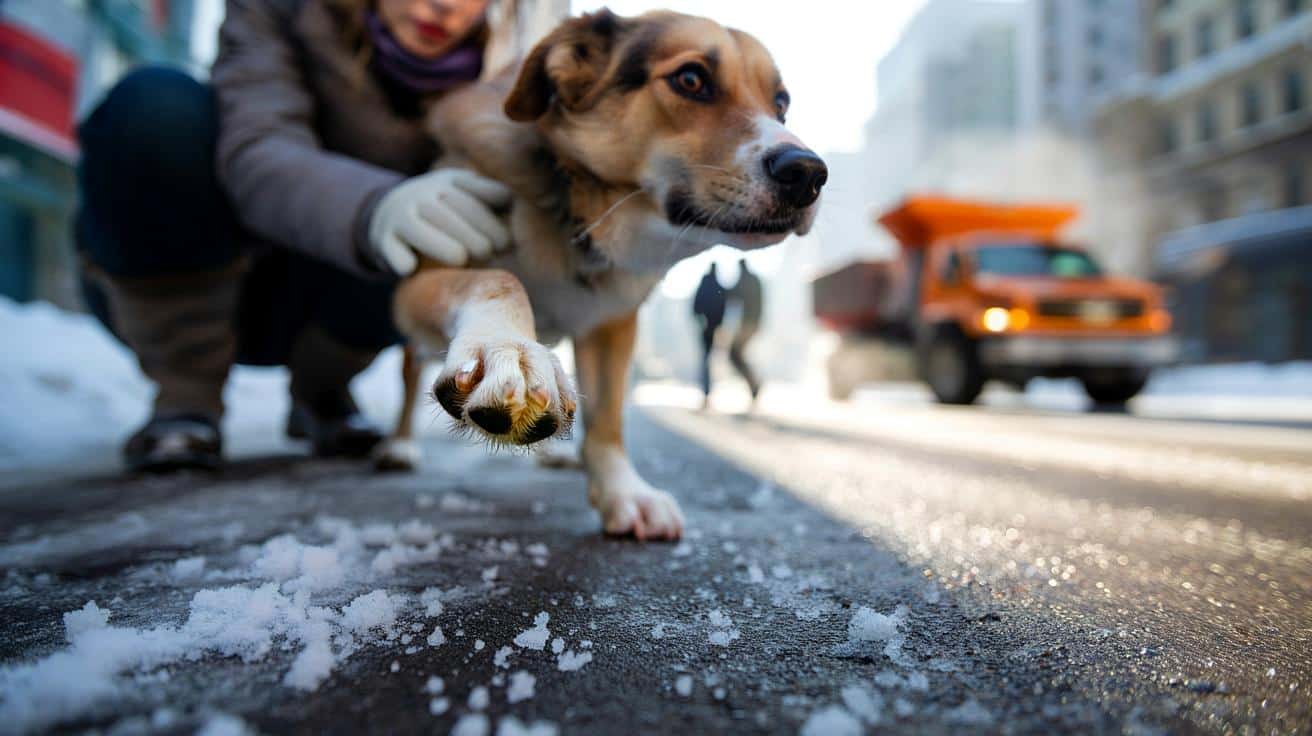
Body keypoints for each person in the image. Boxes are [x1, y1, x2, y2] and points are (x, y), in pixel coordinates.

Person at [76, 0, 540, 471]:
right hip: (203, 273)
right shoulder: (280, 10)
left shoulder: (507, 71)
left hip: (330, 312)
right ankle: (185, 394)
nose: (444, 5)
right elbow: (258, 150)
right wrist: (372, 209)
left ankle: (323, 389)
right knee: (155, 110)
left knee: (447, 217)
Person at [727, 258, 763, 405]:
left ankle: (754, 384)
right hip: (752, 323)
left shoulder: (746, 279)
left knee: (734, 354)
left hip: (748, 323)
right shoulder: (753, 279)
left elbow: (733, 294)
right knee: (736, 355)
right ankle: (753, 384)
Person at [691, 263, 726, 410]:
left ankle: (706, 393)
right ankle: (706, 392)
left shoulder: (704, 286)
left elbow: (695, 307)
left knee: (705, 360)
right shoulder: (719, 286)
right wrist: (717, 324)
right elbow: (722, 307)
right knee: (708, 360)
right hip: (712, 329)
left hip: (704, 328)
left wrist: (701, 321)